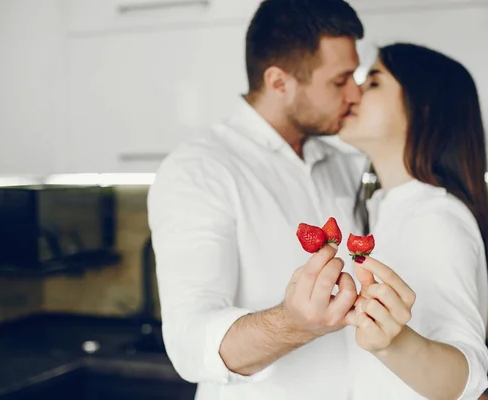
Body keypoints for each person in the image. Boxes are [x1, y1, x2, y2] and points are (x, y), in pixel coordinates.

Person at [148, 1, 367, 399]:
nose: (356, 94)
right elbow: (188, 343)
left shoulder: (345, 162)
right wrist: (294, 322)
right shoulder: (200, 169)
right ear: (279, 82)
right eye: (341, 80)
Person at [338, 43, 488, 399]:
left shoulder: (437, 217)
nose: (353, 93)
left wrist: (394, 342)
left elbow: (467, 380)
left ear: (424, 108)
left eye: (373, 82)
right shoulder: (388, 207)